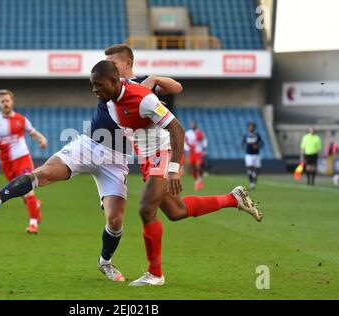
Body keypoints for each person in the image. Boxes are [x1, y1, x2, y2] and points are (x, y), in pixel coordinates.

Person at [0, 44, 183, 282]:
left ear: (126, 63)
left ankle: (105, 262)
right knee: (45, 173)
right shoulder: (106, 85)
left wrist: (153, 78)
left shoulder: (141, 87)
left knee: (115, 219)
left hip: (117, 159)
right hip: (89, 145)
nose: (108, 65)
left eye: (113, 61)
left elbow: (177, 88)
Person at [90, 60, 263, 286]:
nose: (94, 90)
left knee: (145, 209)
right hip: (147, 159)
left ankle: (155, 274)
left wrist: (173, 169)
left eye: (98, 85)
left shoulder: (143, 99)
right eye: (92, 85)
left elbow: (177, 129)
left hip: (164, 152)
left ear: (113, 81)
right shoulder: (112, 99)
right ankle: (233, 198)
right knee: (176, 210)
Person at [0, 90, 47, 234]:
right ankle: (35, 205)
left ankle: (33, 224)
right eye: (2, 101)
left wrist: (42, 139)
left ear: (12, 102)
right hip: (6, 163)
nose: (5, 103)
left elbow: (33, 132)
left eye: (7, 100)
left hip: (23, 159)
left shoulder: (21, 119)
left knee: (28, 190)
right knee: (23, 194)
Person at [184, 121, 207, 190]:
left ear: (196, 125)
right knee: (192, 167)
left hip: (198, 151)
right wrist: (187, 148)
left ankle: (199, 179)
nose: (192, 125)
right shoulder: (188, 133)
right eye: (191, 124)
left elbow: (204, 141)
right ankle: (197, 180)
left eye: (193, 124)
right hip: (191, 152)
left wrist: (204, 150)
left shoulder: (200, 133)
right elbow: (185, 142)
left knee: (198, 165)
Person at [242, 122, 264, 190]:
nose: (251, 128)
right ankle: (251, 183)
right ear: (248, 128)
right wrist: (243, 147)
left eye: (252, 127)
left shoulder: (257, 135)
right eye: (249, 127)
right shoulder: (246, 135)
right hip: (249, 154)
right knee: (249, 167)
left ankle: (254, 175)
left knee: (258, 169)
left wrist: (257, 146)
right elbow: (243, 143)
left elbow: (262, 143)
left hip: (256, 154)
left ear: (254, 128)